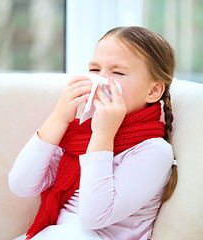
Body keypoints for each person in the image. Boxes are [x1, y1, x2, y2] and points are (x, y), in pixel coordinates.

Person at [9, 26, 177, 240]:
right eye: (95, 70)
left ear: (153, 91)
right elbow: (21, 185)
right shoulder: (79, 136)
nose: (101, 81)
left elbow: (94, 218)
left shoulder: (154, 150)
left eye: (117, 72)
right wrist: (59, 118)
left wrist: (103, 136)